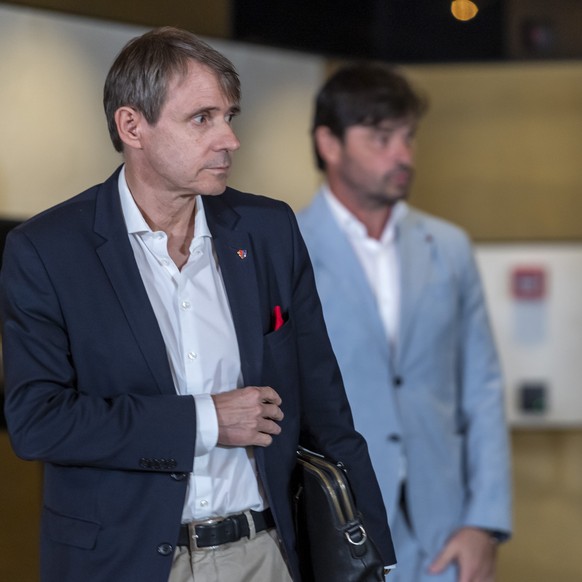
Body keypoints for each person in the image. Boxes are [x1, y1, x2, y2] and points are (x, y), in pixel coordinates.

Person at [0, 30, 395, 582]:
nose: (229, 139)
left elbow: (327, 408)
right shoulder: (46, 250)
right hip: (124, 562)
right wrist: (206, 420)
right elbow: (37, 421)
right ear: (132, 126)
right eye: (202, 118)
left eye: (229, 115)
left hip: (268, 554)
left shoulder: (268, 230)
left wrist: (369, 554)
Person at [297, 63, 512, 582]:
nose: (404, 155)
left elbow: (481, 390)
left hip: (445, 539)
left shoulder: (449, 247)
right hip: (337, 533)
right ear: (330, 143)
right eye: (381, 138)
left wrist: (484, 523)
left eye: (408, 137)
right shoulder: (286, 248)